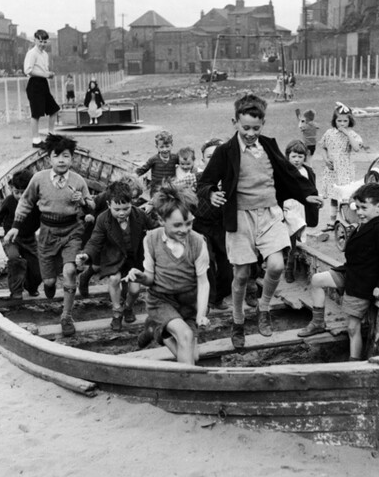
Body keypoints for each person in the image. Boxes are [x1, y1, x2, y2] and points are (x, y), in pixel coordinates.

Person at [196, 93, 322, 349]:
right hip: (240, 218)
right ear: (235, 122)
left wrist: (308, 194)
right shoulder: (225, 151)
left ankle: (263, 308)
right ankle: (238, 320)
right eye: (246, 128)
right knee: (241, 274)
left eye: (256, 127)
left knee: (275, 265)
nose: (251, 133)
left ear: (263, 123)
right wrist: (211, 193)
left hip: (269, 213)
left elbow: (288, 173)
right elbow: (205, 181)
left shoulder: (268, 145)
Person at [4, 134, 94, 336]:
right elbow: (26, 202)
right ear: (49, 159)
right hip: (47, 233)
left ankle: (66, 316)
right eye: (57, 156)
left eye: (66, 156)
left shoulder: (78, 181)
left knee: (70, 271)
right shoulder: (39, 179)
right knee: (50, 283)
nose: (61, 160)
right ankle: (50, 285)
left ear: (72, 159)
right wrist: (16, 226)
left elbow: (91, 205)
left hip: (72, 231)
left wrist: (83, 203)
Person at [297, 182, 379, 359]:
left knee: (353, 328)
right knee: (316, 280)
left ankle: (354, 362)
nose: (359, 212)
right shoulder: (365, 223)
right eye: (357, 207)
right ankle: (318, 322)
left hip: (362, 283)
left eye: (363, 208)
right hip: (350, 272)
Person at [123, 187, 210, 365]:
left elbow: (203, 282)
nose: (184, 229)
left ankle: (156, 331)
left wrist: (201, 314)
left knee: (193, 356)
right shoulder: (151, 239)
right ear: (162, 220)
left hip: (188, 303)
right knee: (185, 336)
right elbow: (149, 278)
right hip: (161, 300)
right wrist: (140, 277)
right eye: (177, 225)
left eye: (189, 223)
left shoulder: (198, 242)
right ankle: (186, 389)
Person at [76, 180, 152, 330]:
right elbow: (95, 241)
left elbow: (156, 227)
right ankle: (117, 312)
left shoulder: (140, 215)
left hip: (134, 259)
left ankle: (128, 307)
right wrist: (86, 255)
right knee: (114, 278)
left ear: (132, 203)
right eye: (117, 209)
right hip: (113, 257)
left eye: (126, 208)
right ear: (109, 204)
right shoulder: (103, 219)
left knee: (135, 290)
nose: (122, 213)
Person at [0, 169, 42, 306]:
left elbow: (48, 215)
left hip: (30, 239)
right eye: (16, 192)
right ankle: (16, 291)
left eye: (23, 192)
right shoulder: (9, 201)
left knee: (36, 271)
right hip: (11, 240)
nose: (19, 196)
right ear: (11, 189)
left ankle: (31, 287)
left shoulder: (37, 202)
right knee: (14, 260)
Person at [194, 138, 232, 311]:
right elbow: (175, 189)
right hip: (201, 225)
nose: (213, 159)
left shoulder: (231, 179)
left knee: (227, 267)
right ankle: (206, 299)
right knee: (206, 261)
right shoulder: (195, 178)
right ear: (203, 160)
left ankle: (218, 297)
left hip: (223, 227)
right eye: (209, 156)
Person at [319, 102, 364, 229]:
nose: (342, 124)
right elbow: (323, 147)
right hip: (332, 169)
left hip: (345, 169)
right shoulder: (329, 133)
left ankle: (344, 220)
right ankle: (332, 221)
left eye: (345, 121)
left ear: (350, 121)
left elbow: (356, 148)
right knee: (333, 195)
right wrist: (325, 159)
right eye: (339, 121)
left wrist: (348, 133)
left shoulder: (352, 134)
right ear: (335, 121)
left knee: (343, 196)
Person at [282, 139, 319, 283]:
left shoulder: (307, 171)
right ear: (288, 156)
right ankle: (288, 268)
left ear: (305, 157)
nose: (297, 160)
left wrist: (316, 201)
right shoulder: (284, 171)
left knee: (295, 237)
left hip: (301, 207)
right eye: (293, 156)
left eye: (300, 157)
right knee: (289, 238)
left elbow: (312, 189)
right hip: (288, 207)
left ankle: (290, 265)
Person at [22, 30, 59, 147]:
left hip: (43, 84)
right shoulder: (32, 53)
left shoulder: (45, 54)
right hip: (34, 85)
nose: (42, 44)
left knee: (53, 109)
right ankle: (36, 140)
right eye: (40, 41)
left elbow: (44, 71)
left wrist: (49, 74)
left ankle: (51, 135)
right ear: (35, 40)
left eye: (44, 42)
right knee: (36, 113)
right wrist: (44, 74)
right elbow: (28, 70)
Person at [135, 131, 179, 199]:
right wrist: (134, 175)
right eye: (161, 147)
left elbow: (184, 164)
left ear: (172, 145)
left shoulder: (175, 158)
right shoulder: (153, 159)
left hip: (170, 190)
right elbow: (143, 169)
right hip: (156, 191)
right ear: (157, 147)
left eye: (167, 146)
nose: (165, 149)